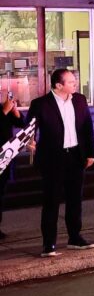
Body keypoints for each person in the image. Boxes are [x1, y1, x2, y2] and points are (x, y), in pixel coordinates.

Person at [28, 69, 94, 256]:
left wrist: (91, 153)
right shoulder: (41, 104)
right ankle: (49, 243)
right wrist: (30, 141)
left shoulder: (80, 100)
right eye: (71, 82)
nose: (75, 84)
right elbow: (30, 128)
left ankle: (75, 237)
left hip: (76, 156)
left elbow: (87, 128)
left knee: (75, 200)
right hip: (52, 158)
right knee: (51, 201)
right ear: (59, 85)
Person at [0, 91, 27, 240]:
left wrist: (15, 111)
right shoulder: (3, 109)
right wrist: (4, 111)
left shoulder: (3, 107)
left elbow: (22, 124)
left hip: (4, 156)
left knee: (1, 192)